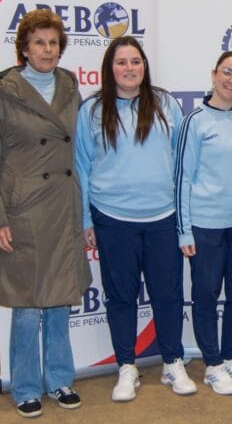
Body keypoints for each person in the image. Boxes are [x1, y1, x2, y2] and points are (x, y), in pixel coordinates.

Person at [0, 9, 90, 417]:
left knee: (58, 300)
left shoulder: (70, 89)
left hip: (63, 207)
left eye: (54, 43)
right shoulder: (4, 96)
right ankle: (25, 385)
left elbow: (82, 152)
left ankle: (59, 379)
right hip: (22, 212)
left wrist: (86, 214)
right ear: (24, 48)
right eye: (39, 42)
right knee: (25, 303)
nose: (47, 50)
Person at [74, 36, 194, 402]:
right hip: (112, 219)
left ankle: (172, 361)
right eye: (122, 62)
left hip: (163, 217)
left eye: (136, 61)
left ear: (145, 66)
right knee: (121, 297)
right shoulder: (92, 110)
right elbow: (81, 166)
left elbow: (181, 162)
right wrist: (85, 219)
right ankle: (126, 366)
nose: (130, 68)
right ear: (110, 69)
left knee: (168, 294)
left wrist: (184, 215)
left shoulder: (166, 104)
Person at [175, 51, 232, 395]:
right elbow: (182, 178)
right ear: (214, 74)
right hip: (206, 226)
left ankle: (229, 357)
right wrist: (184, 229)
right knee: (206, 294)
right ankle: (212, 364)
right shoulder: (194, 121)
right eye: (227, 72)